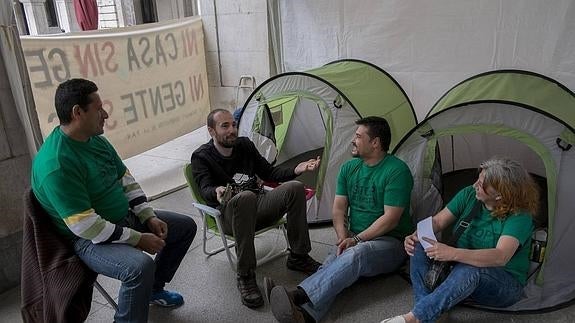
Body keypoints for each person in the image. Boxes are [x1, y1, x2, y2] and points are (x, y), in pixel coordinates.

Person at [31, 78, 197, 323]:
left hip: (122, 219)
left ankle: (153, 290)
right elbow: (86, 227)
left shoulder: (95, 139)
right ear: (78, 112)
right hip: (87, 239)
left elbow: (125, 180)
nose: (106, 114)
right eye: (98, 109)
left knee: (184, 227)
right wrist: (139, 238)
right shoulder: (55, 165)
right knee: (138, 268)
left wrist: (147, 216)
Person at [269, 116, 414, 323]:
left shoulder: (397, 171)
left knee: (356, 253)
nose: (352, 140)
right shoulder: (349, 168)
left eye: (358, 136)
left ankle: (297, 295)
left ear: (375, 143)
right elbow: (338, 208)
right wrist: (342, 235)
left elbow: (390, 220)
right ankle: (306, 317)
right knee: (333, 261)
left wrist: (355, 240)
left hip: (392, 242)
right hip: (355, 236)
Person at [190, 108, 322, 308]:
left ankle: (298, 256)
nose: (231, 129)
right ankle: (245, 275)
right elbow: (205, 187)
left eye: (233, 124)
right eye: (224, 126)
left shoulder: (245, 145)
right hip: (229, 216)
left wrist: (297, 169)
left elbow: (269, 172)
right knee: (245, 197)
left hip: (258, 205)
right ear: (211, 131)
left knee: (294, 188)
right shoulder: (201, 156)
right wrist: (215, 191)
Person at [382, 157, 538, 323]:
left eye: (481, 184)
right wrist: (416, 234)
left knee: (471, 268)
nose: (474, 185)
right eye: (478, 179)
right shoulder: (469, 195)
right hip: (457, 270)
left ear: (499, 194)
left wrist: (452, 253)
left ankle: (415, 318)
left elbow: (500, 256)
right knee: (419, 242)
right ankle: (429, 310)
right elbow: (438, 221)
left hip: (503, 284)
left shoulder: (519, 216)